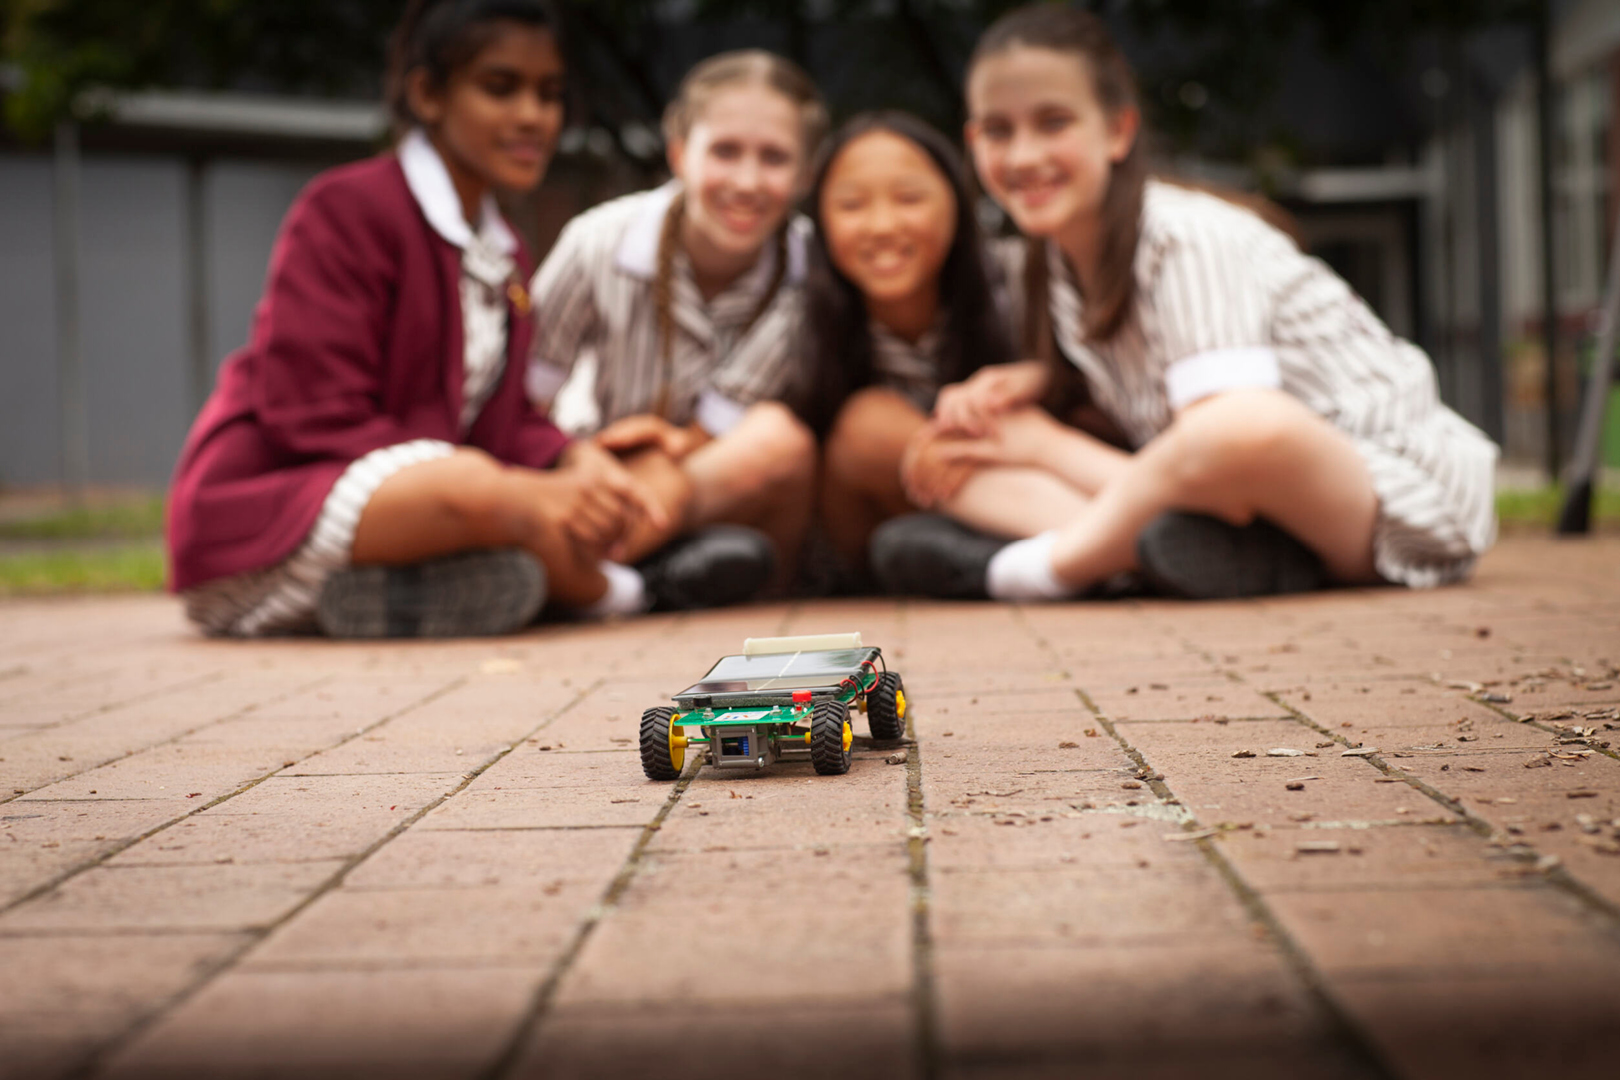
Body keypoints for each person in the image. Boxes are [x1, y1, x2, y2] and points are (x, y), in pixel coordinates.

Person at [871, 3, 1497, 601]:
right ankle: (1183, 555)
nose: (1024, 156)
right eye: (998, 131)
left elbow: (1226, 446)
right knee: (960, 453)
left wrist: (1042, 446)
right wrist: (1032, 386)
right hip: (1229, 498)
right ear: (973, 140)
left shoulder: (1187, 237)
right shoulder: (1055, 264)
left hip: (1398, 501)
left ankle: (1039, 568)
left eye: (1053, 122)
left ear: (1118, 130)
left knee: (1240, 425)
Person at [168, 0, 669, 638]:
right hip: (272, 517)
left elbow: (504, 422)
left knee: (566, 480)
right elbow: (310, 410)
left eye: (550, 95)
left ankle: (423, 590)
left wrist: (572, 461)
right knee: (479, 490)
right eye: (500, 88)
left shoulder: (503, 252)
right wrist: (523, 492)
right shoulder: (347, 207)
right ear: (428, 94)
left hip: (413, 514)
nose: (533, 116)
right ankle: (630, 591)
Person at [526, 50, 827, 604]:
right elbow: (527, 398)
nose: (747, 181)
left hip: (723, 481)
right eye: (725, 151)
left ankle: (590, 579)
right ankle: (633, 577)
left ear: (806, 174)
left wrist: (675, 449)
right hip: (596, 468)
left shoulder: (813, 271)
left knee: (780, 443)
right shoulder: (597, 242)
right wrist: (579, 459)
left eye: (774, 158)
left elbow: (719, 428)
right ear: (680, 152)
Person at [803, 110, 1018, 580]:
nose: (882, 225)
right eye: (852, 205)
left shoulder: (1017, 284)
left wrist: (1022, 383)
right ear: (819, 221)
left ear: (957, 202)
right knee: (867, 425)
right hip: (862, 559)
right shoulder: (797, 314)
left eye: (909, 198)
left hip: (1011, 490)